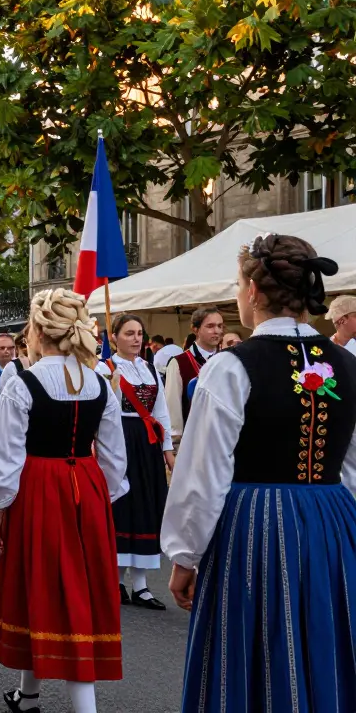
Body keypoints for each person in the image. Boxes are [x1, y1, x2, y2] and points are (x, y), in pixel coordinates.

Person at [162, 234, 356, 712]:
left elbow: (204, 473)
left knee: (255, 653)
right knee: (327, 642)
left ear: (251, 291)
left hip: (256, 527)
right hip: (334, 522)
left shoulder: (230, 367)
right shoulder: (349, 364)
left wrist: (185, 556)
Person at [0, 289, 127, 713]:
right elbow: (115, 457)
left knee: (42, 585)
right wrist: (100, 497)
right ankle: (27, 694)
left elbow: (5, 456)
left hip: (39, 487)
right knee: (76, 588)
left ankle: (85, 707)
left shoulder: (22, 383)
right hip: (87, 483)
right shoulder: (100, 383)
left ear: (38, 331)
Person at [95, 313, 175, 611]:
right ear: (114, 337)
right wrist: (114, 386)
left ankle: (140, 585)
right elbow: (102, 410)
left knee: (146, 508)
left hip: (147, 442)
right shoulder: (104, 368)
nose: (136, 339)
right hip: (118, 440)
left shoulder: (149, 368)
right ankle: (115, 581)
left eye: (139, 333)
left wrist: (168, 450)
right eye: (129, 333)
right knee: (122, 507)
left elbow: (161, 411)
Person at [163, 308, 224, 444]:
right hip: (194, 439)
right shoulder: (179, 362)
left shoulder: (228, 359)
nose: (217, 331)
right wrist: (175, 441)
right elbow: (173, 406)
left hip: (224, 437)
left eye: (219, 326)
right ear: (195, 329)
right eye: (210, 326)